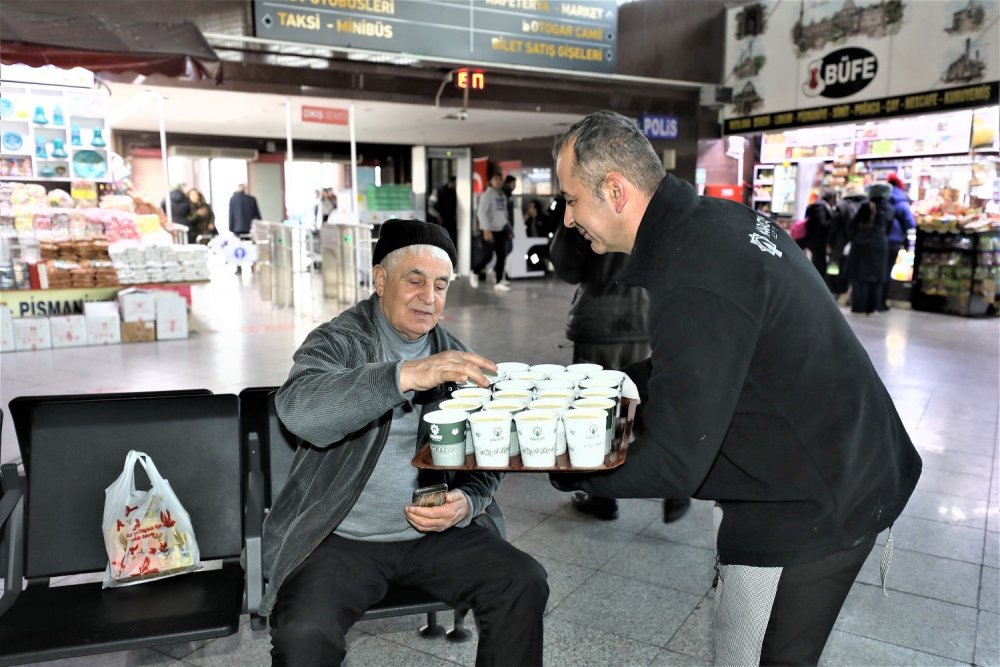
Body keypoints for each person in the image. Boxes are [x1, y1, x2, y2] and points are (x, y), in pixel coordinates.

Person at [549, 111, 921, 665]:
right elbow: (704, 358)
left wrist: (562, 465)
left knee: (753, 658)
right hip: (833, 463)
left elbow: (676, 464)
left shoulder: (696, 272)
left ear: (615, 190)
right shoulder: (712, 224)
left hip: (817, 498)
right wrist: (610, 389)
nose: (569, 215)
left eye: (572, 198)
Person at [259, 218, 548, 666]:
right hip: (342, 537)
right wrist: (405, 375)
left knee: (523, 580)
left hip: (433, 534)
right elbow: (300, 411)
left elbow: (489, 454)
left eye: (440, 285)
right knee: (305, 632)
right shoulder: (339, 341)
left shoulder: (454, 353)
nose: (429, 298)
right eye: (415, 280)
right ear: (380, 279)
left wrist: (468, 502)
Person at [549, 195, 690, 524]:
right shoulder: (649, 202)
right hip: (642, 320)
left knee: (597, 412)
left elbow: (568, 266)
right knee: (636, 402)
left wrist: (565, 219)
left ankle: (602, 497)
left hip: (600, 322)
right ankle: (674, 481)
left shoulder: (585, 206)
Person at [846, 183, 892, 315]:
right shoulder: (890, 208)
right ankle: (873, 306)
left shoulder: (867, 206)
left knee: (860, 277)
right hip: (880, 246)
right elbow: (888, 228)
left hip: (862, 245)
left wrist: (855, 237)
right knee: (876, 277)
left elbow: (853, 225)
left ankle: (859, 306)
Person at [883, 173, 916, 311]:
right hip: (894, 240)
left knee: (880, 270)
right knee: (888, 269)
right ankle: (883, 300)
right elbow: (910, 222)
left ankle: (876, 299)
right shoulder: (902, 201)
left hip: (880, 239)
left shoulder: (883, 198)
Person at [828, 183, 867, 297]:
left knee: (834, 266)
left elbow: (834, 226)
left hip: (840, 243)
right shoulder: (866, 205)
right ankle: (850, 292)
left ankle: (835, 289)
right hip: (858, 242)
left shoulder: (842, 205)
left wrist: (829, 242)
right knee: (852, 267)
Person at [475, 172, 512, 292]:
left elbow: (504, 215)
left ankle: (498, 282)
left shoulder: (501, 195)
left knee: (502, 255)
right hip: (488, 230)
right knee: (488, 256)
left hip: (501, 230)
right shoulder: (487, 195)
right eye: (496, 179)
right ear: (490, 181)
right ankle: (475, 270)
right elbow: (481, 213)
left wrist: (509, 229)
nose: (498, 182)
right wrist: (486, 229)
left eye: (500, 180)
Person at [803, 189, 837, 280]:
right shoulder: (820, 207)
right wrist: (834, 222)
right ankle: (819, 282)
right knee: (819, 262)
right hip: (818, 241)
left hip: (817, 240)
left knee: (818, 261)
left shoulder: (820, 205)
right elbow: (821, 223)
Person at [430, 176, 458, 246]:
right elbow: (430, 206)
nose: (455, 186)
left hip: (451, 221)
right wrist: (438, 215)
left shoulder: (455, 192)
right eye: (455, 184)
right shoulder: (438, 191)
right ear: (450, 182)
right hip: (440, 221)